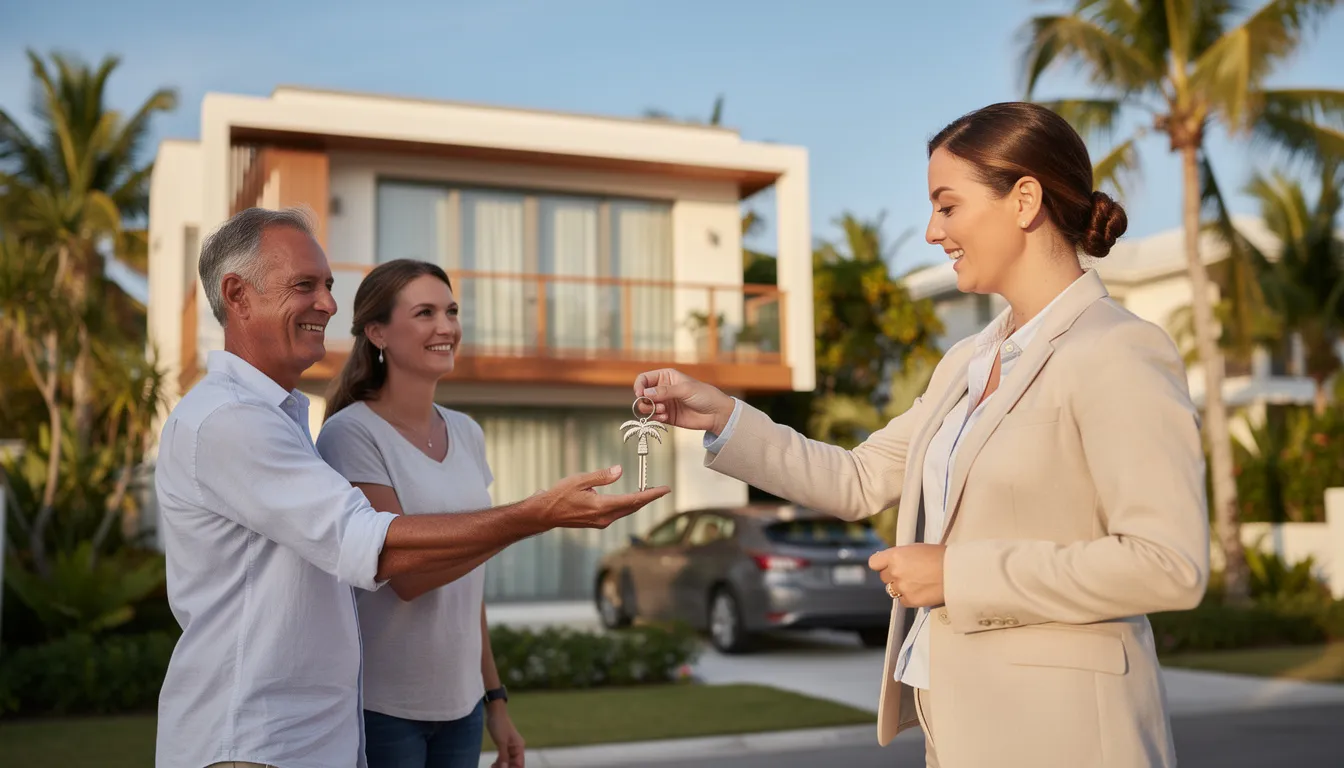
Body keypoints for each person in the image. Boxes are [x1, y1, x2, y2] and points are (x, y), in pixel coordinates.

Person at [634, 102, 1209, 767]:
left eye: (948, 205)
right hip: (959, 731)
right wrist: (724, 415)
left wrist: (957, 574)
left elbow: (1168, 565)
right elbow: (856, 480)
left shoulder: (1119, 349)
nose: (934, 232)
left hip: (1068, 735)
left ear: (1024, 199)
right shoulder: (966, 362)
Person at [154, 207, 668, 768]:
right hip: (255, 744)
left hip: (314, 736)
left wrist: (493, 696)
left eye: (328, 285)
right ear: (238, 295)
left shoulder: (281, 418)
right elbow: (376, 548)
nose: (328, 303)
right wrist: (535, 516)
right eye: (306, 285)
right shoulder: (234, 421)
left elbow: (456, 584)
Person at [314, 259, 521, 768]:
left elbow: (469, 591)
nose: (446, 327)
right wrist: (526, 521)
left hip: (464, 704)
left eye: (451, 311)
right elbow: (407, 574)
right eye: (425, 313)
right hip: (384, 707)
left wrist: (494, 699)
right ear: (377, 332)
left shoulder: (467, 432)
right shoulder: (351, 434)